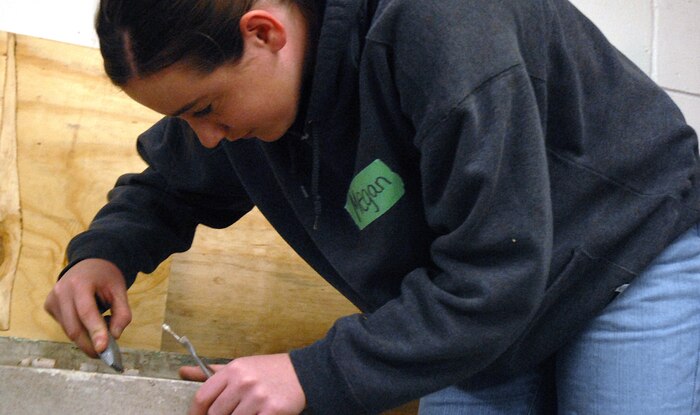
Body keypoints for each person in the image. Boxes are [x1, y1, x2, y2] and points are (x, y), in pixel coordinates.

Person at [43, 0, 700, 413]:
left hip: (622, 250)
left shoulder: (441, 27)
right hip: (483, 299)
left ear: (265, 32)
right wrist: (105, 251)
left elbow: (493, 280)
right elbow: (173, 181)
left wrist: (315, 371)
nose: (205, 138)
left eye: (205, 110)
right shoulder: (240, 91)